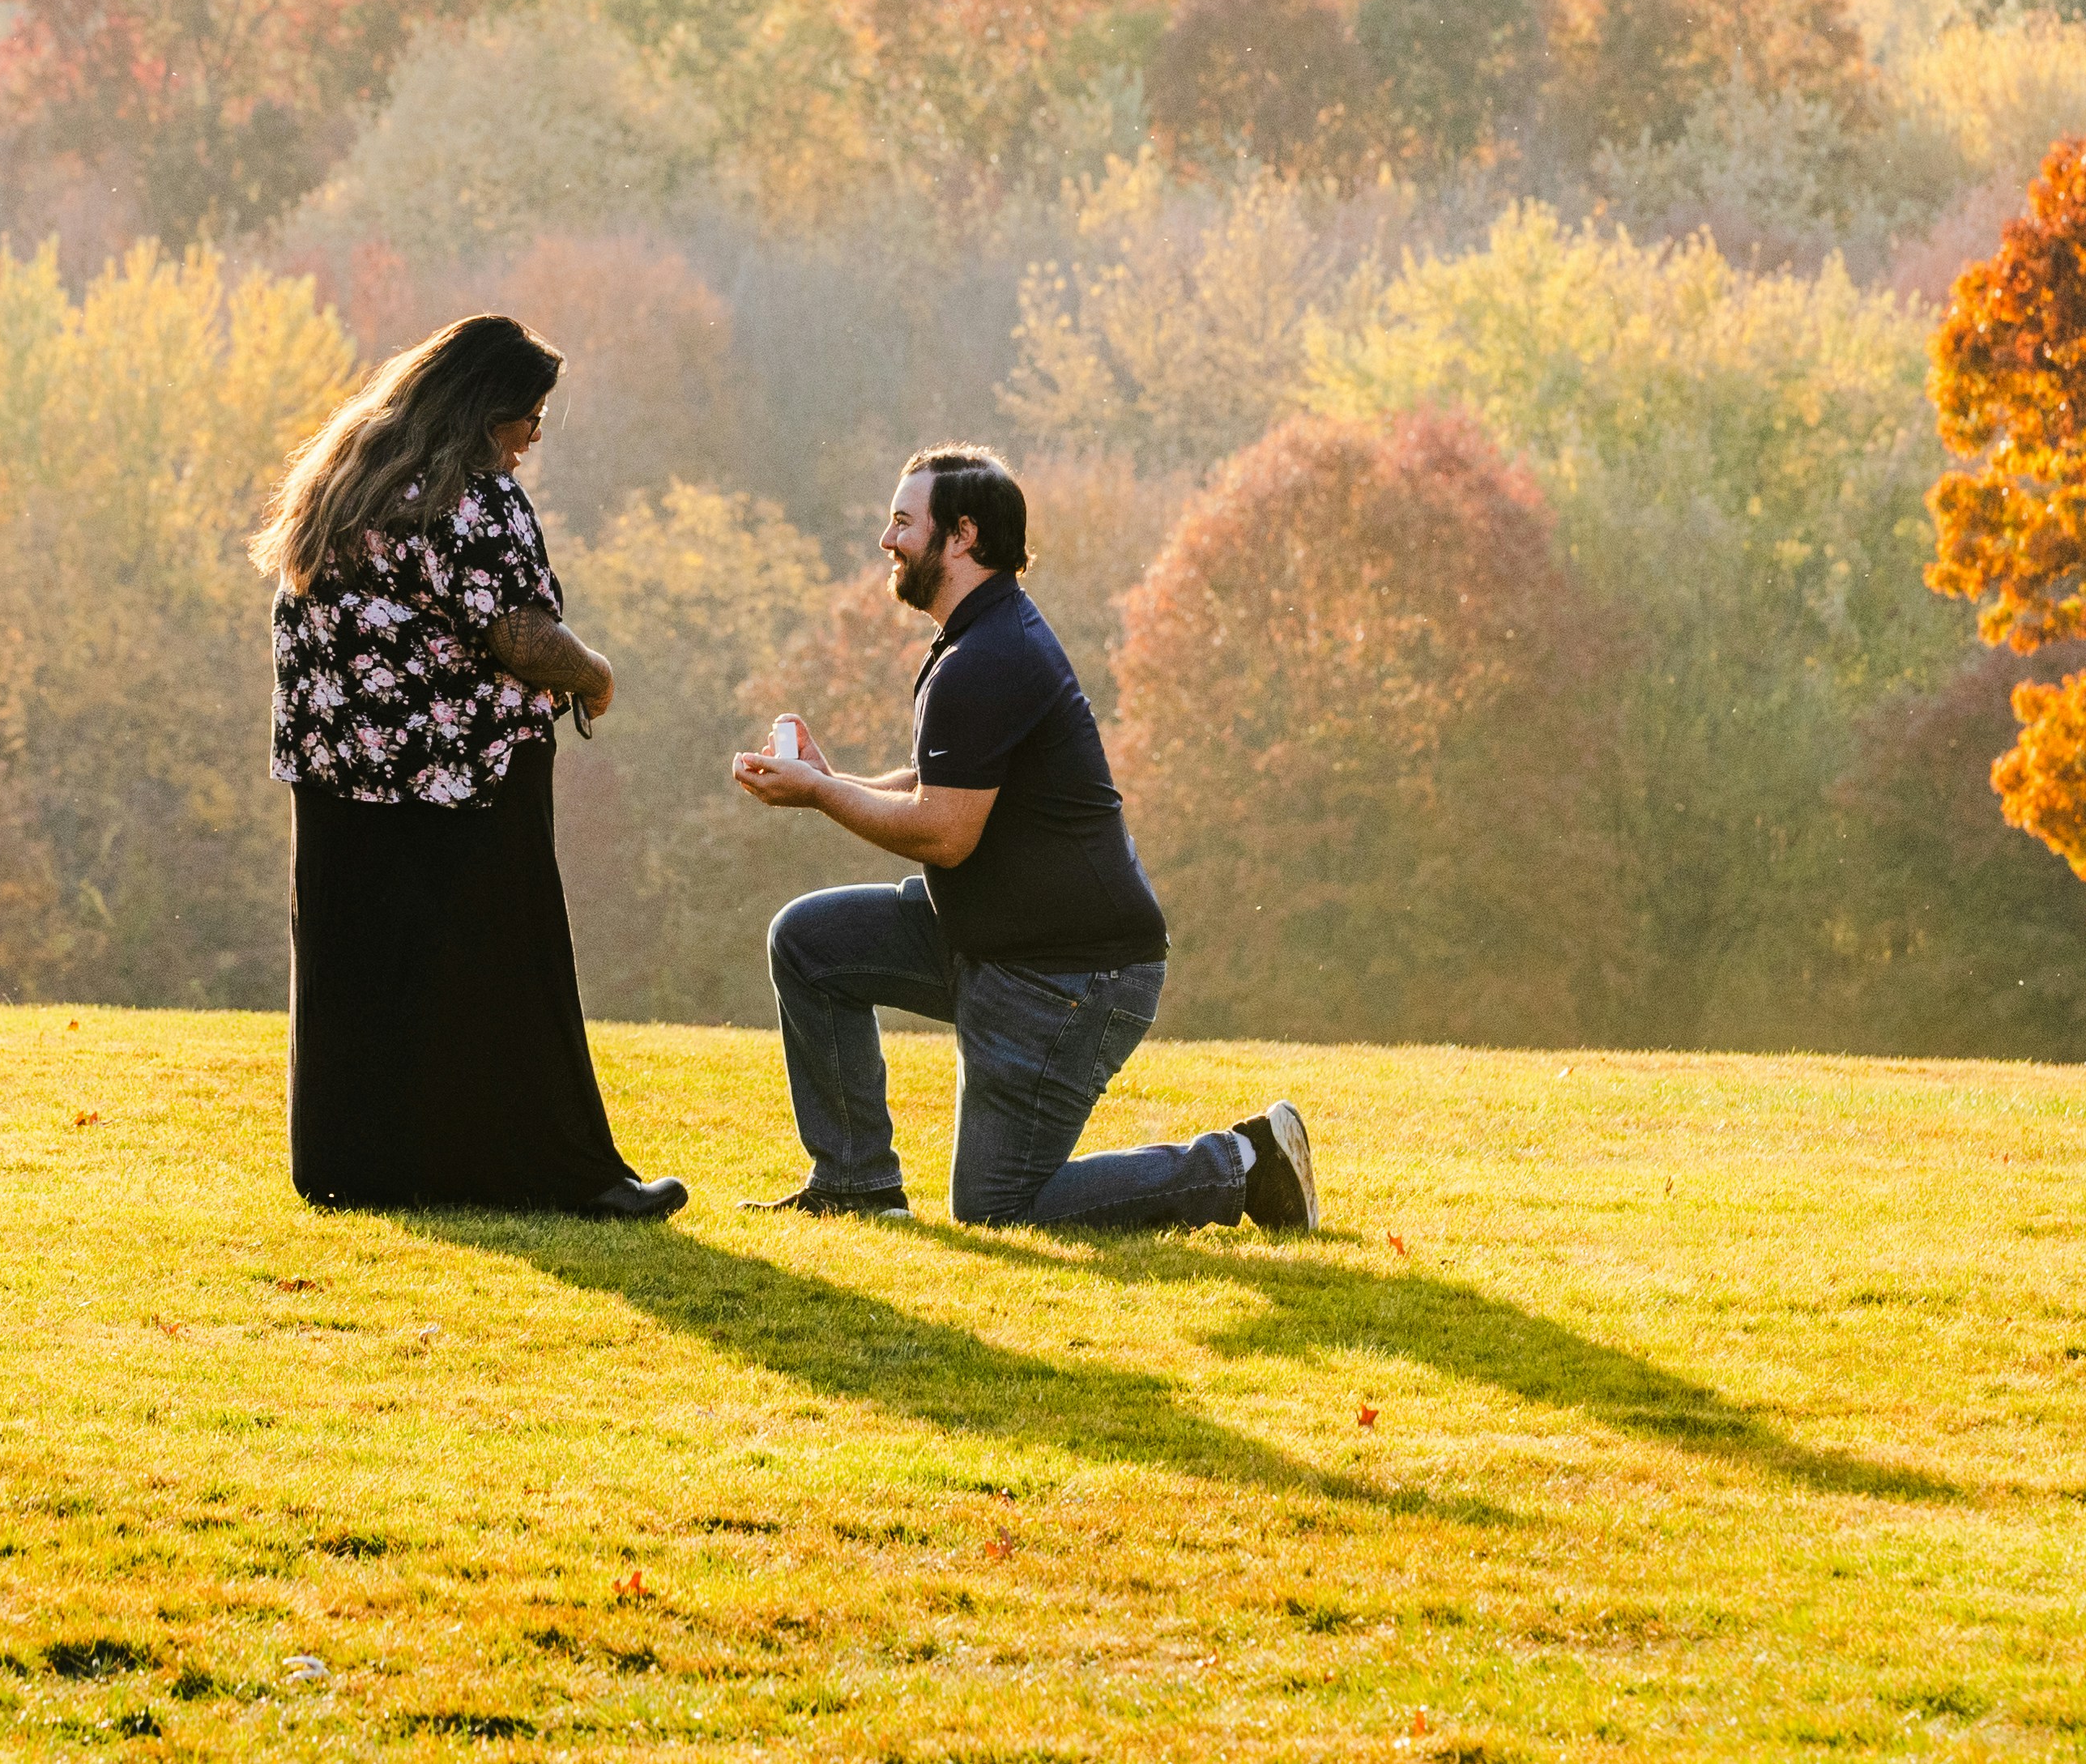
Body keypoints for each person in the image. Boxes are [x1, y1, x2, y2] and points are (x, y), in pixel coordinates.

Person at [733, 445, 1312, 1234]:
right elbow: (942, 790)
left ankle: (1242, 1165)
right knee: (809, 942)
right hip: (997, 944)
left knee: (999, 1208)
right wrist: (832, 781)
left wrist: (818, 793)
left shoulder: (988, 658)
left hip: (1071, 978)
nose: (886, 539)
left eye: (903, 521)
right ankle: (855, 1183)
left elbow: (944, 835)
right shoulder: (979, 639)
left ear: (963, 534)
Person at [255, 313, 689, 1221]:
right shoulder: (472, 498)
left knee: (367, 970)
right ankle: (564, 1170)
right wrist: (596, 675)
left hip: (341, 773)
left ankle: (358, 1163)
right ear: (486, 411)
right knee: (505, 970)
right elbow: (519, 634)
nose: (534, 436)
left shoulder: (342, 482)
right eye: (528, 416)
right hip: (466, 773)